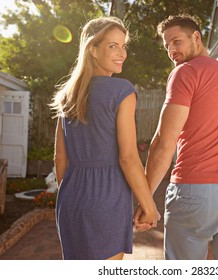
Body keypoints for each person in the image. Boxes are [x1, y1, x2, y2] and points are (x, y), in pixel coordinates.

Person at [134, 14, 218, 260]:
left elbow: (164, 141)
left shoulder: (186, 72)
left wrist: (146, 198)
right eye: (167, 46)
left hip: (194, 193)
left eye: (176, 41)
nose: (171, 50)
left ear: (196, 37)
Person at [50, 16, 158, 260]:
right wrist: (149, 206)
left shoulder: (68, 95)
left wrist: (74, 195)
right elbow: (129, 158)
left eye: (123, 46)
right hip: (107, 200)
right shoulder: (121, 91)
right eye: (113, 46)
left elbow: (60, 158)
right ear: (93, 49)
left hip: (71, 200)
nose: (122, 53)